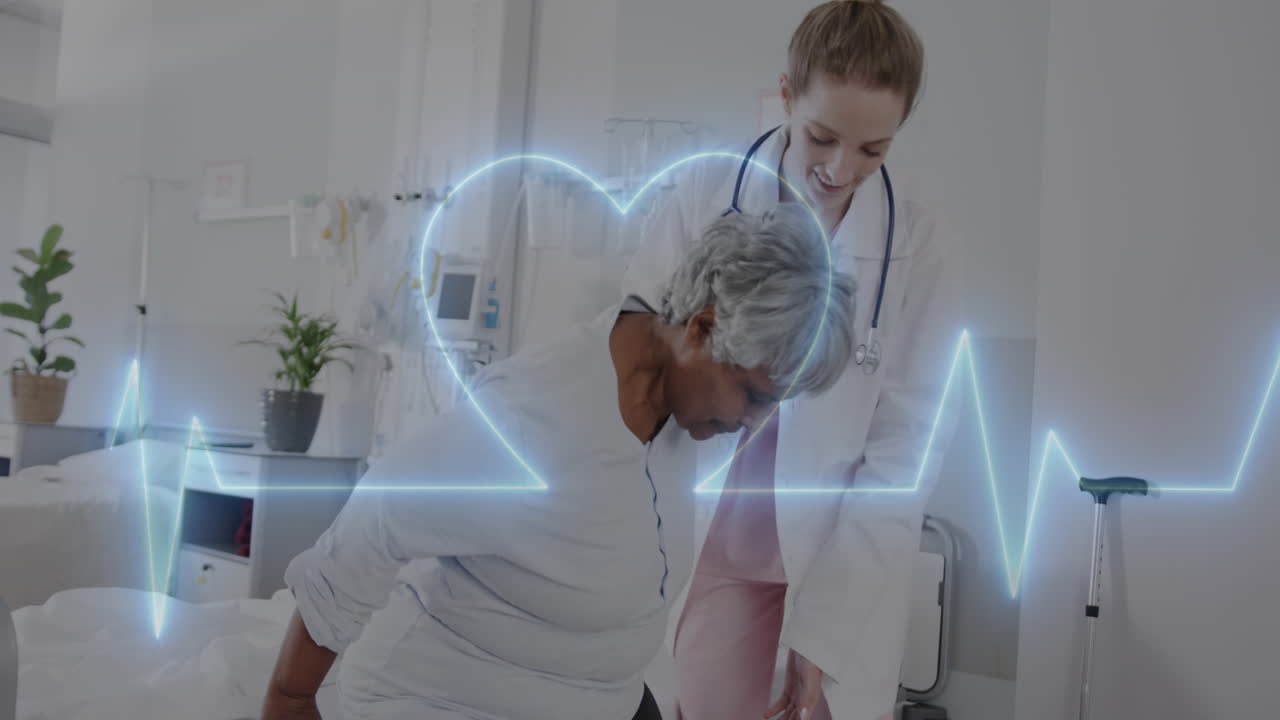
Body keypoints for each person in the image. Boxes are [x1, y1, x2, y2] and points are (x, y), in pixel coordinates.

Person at [260, 204, 856, 720]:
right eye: (754, 397)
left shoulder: (673, 412)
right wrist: (289, 697)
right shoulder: (536, 419)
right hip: (446, 700)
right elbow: (378, 516)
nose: (752, 424)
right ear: (701, 329)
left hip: (600, 700)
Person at [623, 3, 962, 720]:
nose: (842, 169)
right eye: (821, 136)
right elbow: (641, 363)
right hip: (706, 539)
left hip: (835, 557)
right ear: (786, 98)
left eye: (874, 150)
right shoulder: (703, 198)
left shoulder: (920, 245)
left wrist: (830, 633)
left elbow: (901, 456)